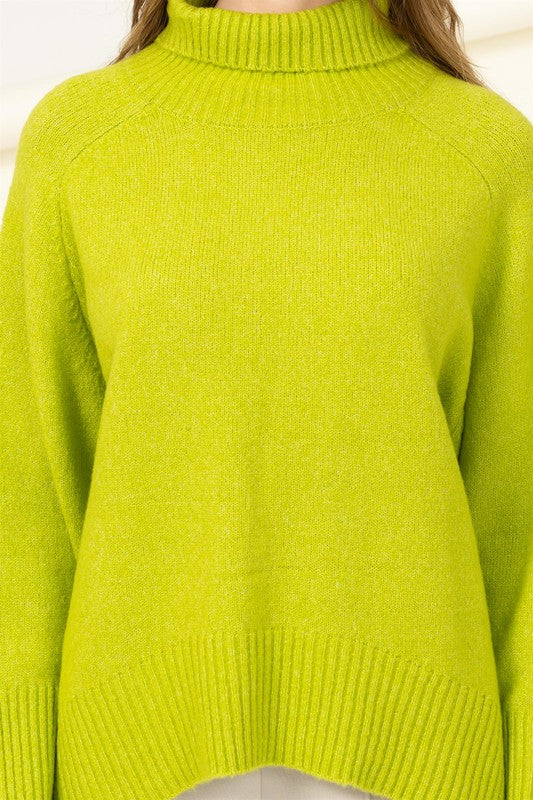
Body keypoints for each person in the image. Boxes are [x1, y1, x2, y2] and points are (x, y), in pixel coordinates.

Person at [0, 0, 531, 799]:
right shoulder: (80, 142)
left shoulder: (483, 151)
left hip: (419, 760)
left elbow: (518, 531)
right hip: (133, 762)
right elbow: (25, 515)